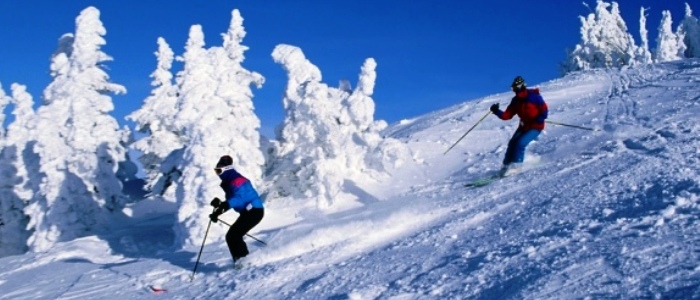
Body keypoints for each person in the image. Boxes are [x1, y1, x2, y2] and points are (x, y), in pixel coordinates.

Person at [209, 155, 264, 266]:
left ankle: (244, 262)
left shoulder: (237, 180)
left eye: (219, 170)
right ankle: (242, 261)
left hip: (254, 211)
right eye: (216, 171)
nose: (218, 173)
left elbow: (239, 198)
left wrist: (224, 205)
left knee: (234, 235)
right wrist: (218, 211)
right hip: (248, 212)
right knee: (232, 235)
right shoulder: (231, 182)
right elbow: (232, 200)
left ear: (226, 169)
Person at [490, 76, 549, 176]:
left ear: (520, 86)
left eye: (514, 88)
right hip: (523, 126)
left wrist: (539, 118)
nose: (513, 90)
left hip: (535, 126)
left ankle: (516, 167)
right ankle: (505, 166)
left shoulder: (533, 97)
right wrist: (496, 111)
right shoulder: (516, 100)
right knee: (512, 143)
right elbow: (507, 115)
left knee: (520, 143)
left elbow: (544, 110)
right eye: (512, 88)